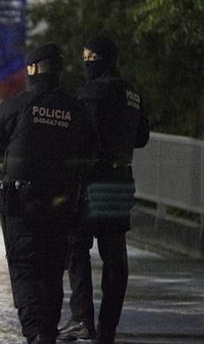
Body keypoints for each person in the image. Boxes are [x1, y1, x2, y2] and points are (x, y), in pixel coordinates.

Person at [0, 43, 99, 344]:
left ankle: (35, 330)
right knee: (52, 267)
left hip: (22, 201)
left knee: (24, 266)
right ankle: (48, 329)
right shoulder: (76, 109)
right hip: (62, 201)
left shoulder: (17, 104)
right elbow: (91, 153)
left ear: (33, 69)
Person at [58, 36, 149, 344]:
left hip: (92, 182)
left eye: (88, 58)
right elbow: (142, 138)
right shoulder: (131, 92)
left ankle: (82, 318)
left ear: (96, 58)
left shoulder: (92, 92)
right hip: (120, 181)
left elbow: (80, 136)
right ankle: (108, 328)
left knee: (76, 246)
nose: (85, 64)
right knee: (114, 256)